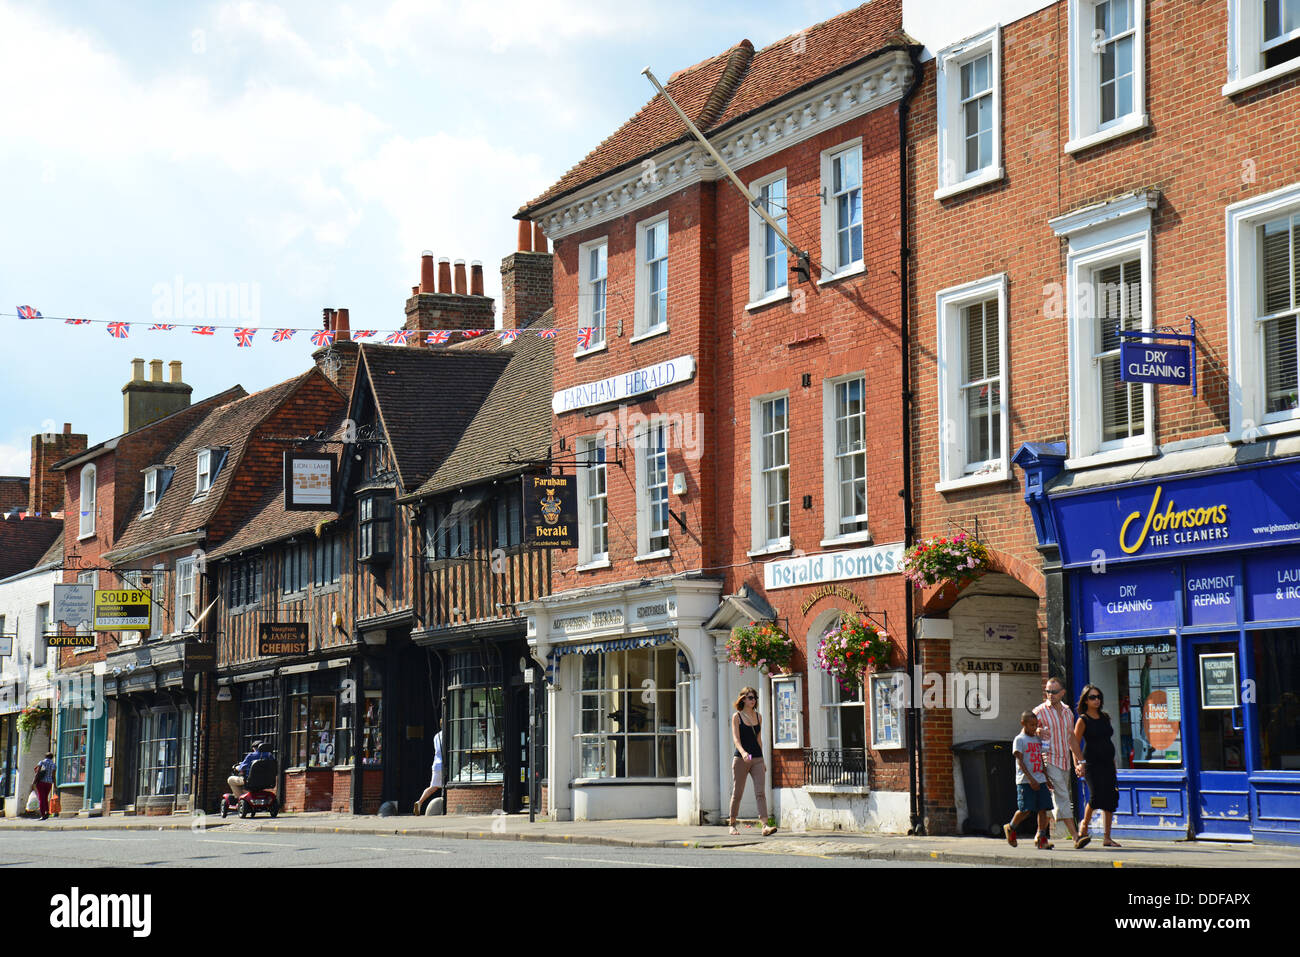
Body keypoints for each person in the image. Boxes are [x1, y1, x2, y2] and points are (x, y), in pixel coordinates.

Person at [1033, 676, 1090, 849]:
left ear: (1063, 692)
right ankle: (1076, 836)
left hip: (1064, 760)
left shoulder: (1067, 711)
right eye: (1048, 691)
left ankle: (1038, 834)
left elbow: (1072, 738)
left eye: (1054, 692)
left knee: (1053, 801)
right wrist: (1036, 730)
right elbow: (1025, 732)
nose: (1050, 695)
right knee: (1063, 797)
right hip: (1047, 760)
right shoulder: (1039, 711)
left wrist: (1081, 761)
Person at [1074, 684, 1121, 848]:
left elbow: (1108, 740)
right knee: (1096, 796)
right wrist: (1078, 764)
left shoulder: (1105, 717)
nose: (1097, 700)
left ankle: (1107, 837)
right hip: (1091, 764)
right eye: (1092, 697)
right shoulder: (1083, 719)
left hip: (1108, 762)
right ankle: (1084, 826)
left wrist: (1113, 762)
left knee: (1109, 798)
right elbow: (1074, 742)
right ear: (1086, 700)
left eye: (1098, 697)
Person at [728, 687, 776, 837]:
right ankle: (732, 824)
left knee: (760, 792)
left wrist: (763, 760)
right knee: (737, 793)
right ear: (743, 699)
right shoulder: (737, 716)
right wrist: (743, 753)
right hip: (741, 759)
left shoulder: (759, 716)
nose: (753, 700)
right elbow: (736, 739)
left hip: (757, 759)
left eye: (754, 697)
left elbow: (759, 740)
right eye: (749, 697)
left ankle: (765, 825)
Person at [1004, 711, 1053, 849]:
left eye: (1035, 725)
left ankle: (1042, 838)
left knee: (1043, 809)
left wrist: (1046, 778)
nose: (1034, 727)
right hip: (1026, 781)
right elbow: (1020, 762)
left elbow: (1040, 760)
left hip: (1040, 779)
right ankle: (1011, 827)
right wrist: (1031, 779)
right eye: (1031, 725)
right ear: (1023, 724)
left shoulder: (1037, 740)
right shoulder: (1019, 740)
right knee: (1025, 809)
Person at [414, 724, 444, 815]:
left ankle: (419, 802)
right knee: (447, 785)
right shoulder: (449, 735)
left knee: (433, 787)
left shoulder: (436, 736)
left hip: (436, 763)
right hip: (444, 764)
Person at [31, 751, 57, 821]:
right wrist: (55, 785)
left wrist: (33, 782)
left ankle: (43, 814)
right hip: (49, 783)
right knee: (45, 798)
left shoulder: (41, 762)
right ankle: (47, 811)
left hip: (41, 782)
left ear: (45, 756)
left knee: (41, 798)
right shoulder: (53, 765)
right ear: (52, 757)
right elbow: (53, 776)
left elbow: (37, 773)